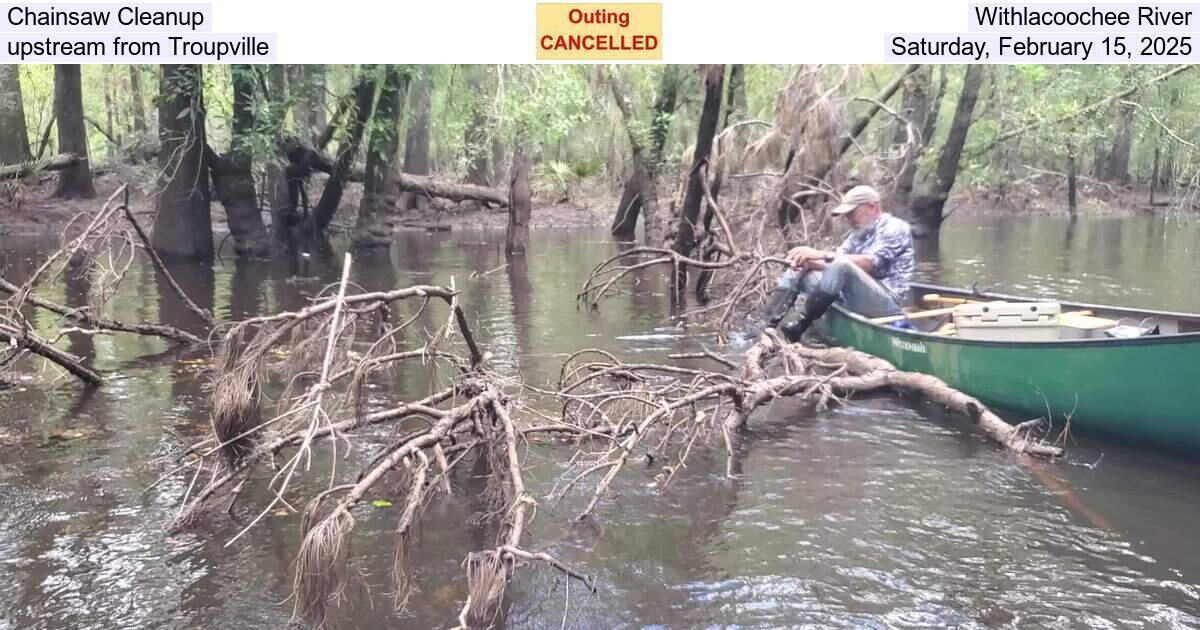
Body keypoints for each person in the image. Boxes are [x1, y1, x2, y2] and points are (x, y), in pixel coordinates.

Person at [761, 185, 914, 342]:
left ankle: (800, 324)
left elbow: (869, 264)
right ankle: (767, 325)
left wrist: (820, 254)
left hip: (887, 302)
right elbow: (835, 264)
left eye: (852, 213)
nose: (848, 220)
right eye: (846, 216)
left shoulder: (895, 228)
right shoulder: (858, 234)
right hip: (855, 295)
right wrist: (808, 260)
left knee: (840, 265)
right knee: (802, 267)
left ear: (872, 207)